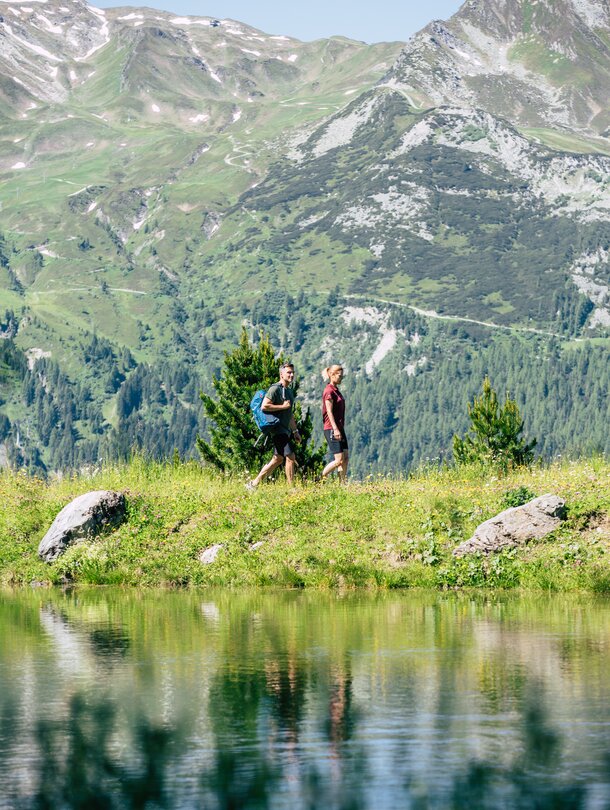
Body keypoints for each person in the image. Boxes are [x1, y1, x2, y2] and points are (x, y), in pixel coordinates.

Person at [247, 362, 301, 489]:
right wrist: (282, 406)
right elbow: (265, 406)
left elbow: (289, 413)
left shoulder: (288, 391)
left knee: (278, 459)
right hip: (277, 429)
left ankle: (253, 484)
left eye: (293, 372)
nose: (292, 375)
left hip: (285, 430)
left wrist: (295, 431)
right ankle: (292, 489)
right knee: (290, 457)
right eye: (289, 372)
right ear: (281, 374)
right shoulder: (275, 389)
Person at [321, 364, 348, 482]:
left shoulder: (336, 390)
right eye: (339, 376)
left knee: (345, 457)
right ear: (332, 375)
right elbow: (329, 411)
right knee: (339, 460)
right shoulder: (329, 391)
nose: (341, 378)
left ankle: (342, 483)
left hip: (339, 427)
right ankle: (321, 478)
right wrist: (335, 429)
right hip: (332, 428)